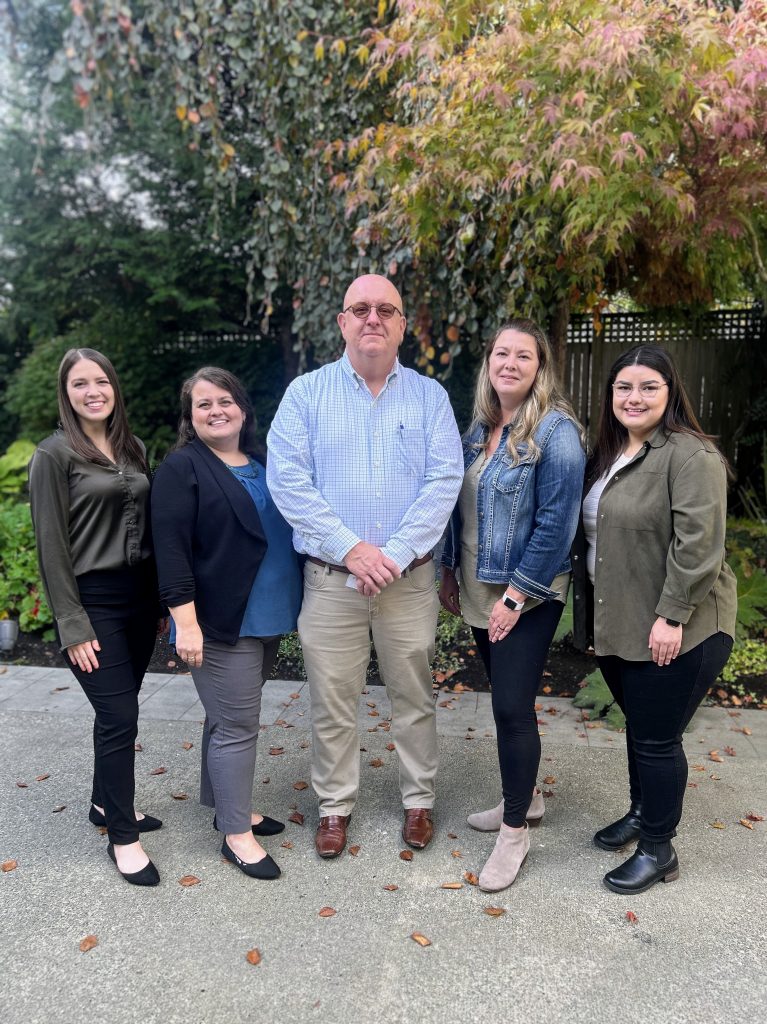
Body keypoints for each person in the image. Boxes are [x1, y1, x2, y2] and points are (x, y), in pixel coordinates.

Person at [267, 274, 463, 858]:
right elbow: (288, 481)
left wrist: (394, 555)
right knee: (332, 700)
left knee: (414, 696)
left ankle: (419, 800)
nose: (373, 318)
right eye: (361, 308)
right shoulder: (305, 394)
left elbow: (443, 481)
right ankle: (333, 807)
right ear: (342, 323)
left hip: (409, 581)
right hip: (331, 583)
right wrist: (353, 549)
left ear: (403, 325)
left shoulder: (430, 398)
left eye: (387, 309)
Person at [572, 344, 737, 895]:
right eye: (624, 387)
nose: (634, 397)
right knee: (643, 731)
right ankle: (643, 813)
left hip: (679, 627)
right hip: (622, 623)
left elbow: (699, 546)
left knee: (657, 740)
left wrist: (672, 615)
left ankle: (658, 847)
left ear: (670, 394)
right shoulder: (611, 452)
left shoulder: (690, 456)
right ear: (611, 395)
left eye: (648, 387)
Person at [439, 319, 585, 892]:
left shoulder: (557, 432)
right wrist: (449, 570)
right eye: (502, 352)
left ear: (539, 367)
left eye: (524, 356)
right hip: (479, 582)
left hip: (527, 589)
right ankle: (526, 796)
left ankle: (515, 832)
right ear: (489, 362)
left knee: (510, 708)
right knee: (504, 695)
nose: (511, 363)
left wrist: (517, 595)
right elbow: (459, 504)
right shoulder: (480, 426)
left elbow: (556, 523)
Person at [151, 367, 301, 881]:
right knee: (237, 725)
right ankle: (236, 836)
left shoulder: (261, 464)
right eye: (203, 404)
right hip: (217, 624)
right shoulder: (182, 468)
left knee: (224, 717)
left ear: (243, 407)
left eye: (225, 400)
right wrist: (184, 625)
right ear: (190, 418)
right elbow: (170, 553)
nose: (216, 410)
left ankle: (224, 805)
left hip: (266, 618)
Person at [29, 348, 162, 887]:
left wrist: (159, 603)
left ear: (114, 388)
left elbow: (148, 529)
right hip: (92, 602)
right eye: (80, 383)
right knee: (119, 717)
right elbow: (51, 546)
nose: (93, 391)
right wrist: (72, 623)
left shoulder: (134, 448)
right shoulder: (53, 454)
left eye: (101, 381)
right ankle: (123, 838)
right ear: (67, 392)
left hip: (137, 600)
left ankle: (103, 804)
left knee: (118, 712)